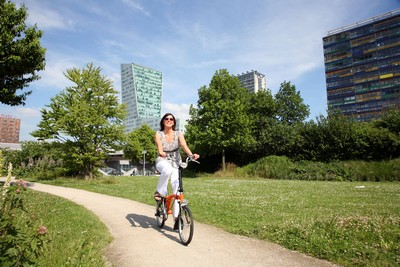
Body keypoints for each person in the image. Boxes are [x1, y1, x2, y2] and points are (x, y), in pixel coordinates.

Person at [154, 113, 199, 230]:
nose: (169, 120)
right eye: (166, 119)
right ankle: (159, 192)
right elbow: (159, 144)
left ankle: (176, 218)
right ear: (163, 121)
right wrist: (161, 152)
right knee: (167, 170)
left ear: (173, 122)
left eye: (171, 119)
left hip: (175, 162)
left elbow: (183, 145)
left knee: (177, 189)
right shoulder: (159, 134)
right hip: (162, 160)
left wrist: (191, 155)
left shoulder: (178, 134)